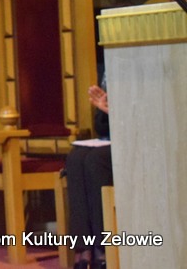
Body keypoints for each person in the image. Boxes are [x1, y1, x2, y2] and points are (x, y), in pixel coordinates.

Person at [67, 80, 112, 269]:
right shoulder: (109, 72)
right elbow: (102, 129)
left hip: (142, 139)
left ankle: (104, 251)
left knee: (95, 161)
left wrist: (118, 113)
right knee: (75, 158)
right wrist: (105, 110)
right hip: (112, 140)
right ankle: (84, 250)